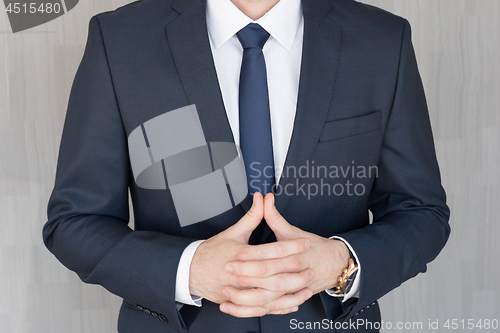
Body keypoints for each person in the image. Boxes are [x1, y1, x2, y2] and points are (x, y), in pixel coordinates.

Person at [43, 0, 451, 332]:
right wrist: (189, 270)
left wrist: (342, 265)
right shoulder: (118, 40)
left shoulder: (382, 40)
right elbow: (75, 222)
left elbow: (421, 212)